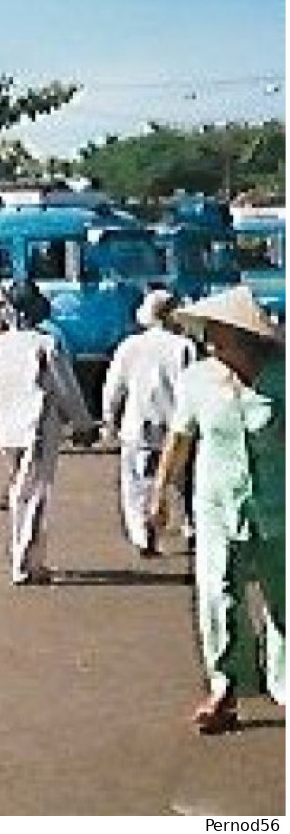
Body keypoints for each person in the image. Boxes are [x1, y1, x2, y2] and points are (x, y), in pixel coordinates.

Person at [149, 286, 284, 734]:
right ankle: (225, 689)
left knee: (283, 601)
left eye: (217, 336)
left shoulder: (280, 379)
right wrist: (160, 492)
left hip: (277, 507)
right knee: (218, 596)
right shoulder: (198, 381)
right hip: (216, 507)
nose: (209, 344)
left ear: (243, 338)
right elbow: (180, 438)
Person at [0, 280, 94, 585]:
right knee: (35, 493)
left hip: (6, 428)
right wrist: (82, 423)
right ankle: (26, 563)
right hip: (38, 425)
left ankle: (26, 557)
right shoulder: (45, 344)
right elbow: (66, 388)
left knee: (19, 491)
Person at [100, 289, 196, 557]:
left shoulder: (129, 346)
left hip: (138, 422)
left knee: (137, 482)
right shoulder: (183, 347)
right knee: (181, 478)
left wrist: (108, 420)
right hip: (175, 421)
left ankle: (144, 534)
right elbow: (191, 385)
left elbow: (113, 388)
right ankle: (190, 527)